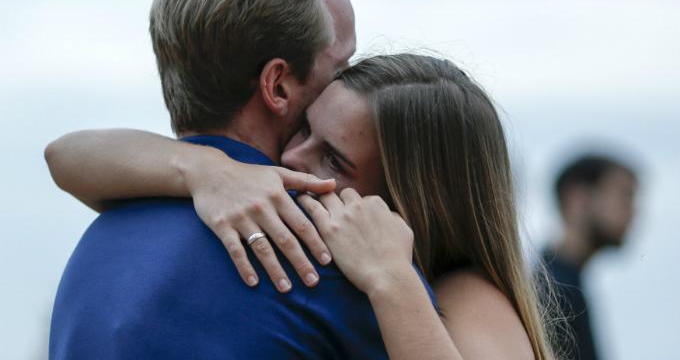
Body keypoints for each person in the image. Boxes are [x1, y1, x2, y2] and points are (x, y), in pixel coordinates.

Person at [47, 0, 412, 360]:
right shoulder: (334, 255)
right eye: (341, 67)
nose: (347, 84)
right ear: (277, 85)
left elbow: (61, 154)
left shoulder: (99, 245)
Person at [48, 54, 558, 359]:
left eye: (333, 159)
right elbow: (66, 156)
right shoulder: (266, 198)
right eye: (305, 129)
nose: (292, 158)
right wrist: (209, 171)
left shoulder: (470, 296)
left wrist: (391, 280)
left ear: (411, 200)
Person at [543, 154, 638, 360]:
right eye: (625, 196)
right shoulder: (554, 292)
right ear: (578, 198)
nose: (634, 212)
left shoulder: (562, 281)